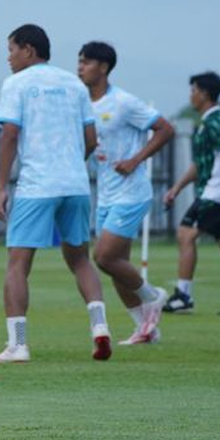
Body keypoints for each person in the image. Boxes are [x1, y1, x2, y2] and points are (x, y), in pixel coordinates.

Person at [0, 24, 111, 364]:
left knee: (18, 264)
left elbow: (9, 136)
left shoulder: (16, 84)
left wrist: (2, 186)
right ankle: (100, 328)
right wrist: (73, 164)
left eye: (12, 50)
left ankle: (18, 345)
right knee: (79, 260)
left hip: (36, 186)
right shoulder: (74, 84)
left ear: (29, 50)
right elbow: (91, 140)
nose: (9, 57)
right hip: (75, 185)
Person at [77, 41, 176, 344]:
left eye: (86, 62)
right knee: (118, 266)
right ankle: (145, 329)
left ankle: (153, 295)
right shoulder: (82, 103)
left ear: (103, 67)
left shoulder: (123, 102)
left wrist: (136, 160)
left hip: (132, 193)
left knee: (104, 257)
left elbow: (165, 129)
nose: (80, 67)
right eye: (79, 62)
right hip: (106, 194)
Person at [161, 72, 220, 316]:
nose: (191, 96)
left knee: (185, 234)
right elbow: (201, 163)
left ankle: (183, 296)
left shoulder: (217, 121)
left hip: (216, 194)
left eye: (193, 90)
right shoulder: (207, 122)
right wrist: (177, 187)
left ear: (204, 93)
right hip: (215, 192)